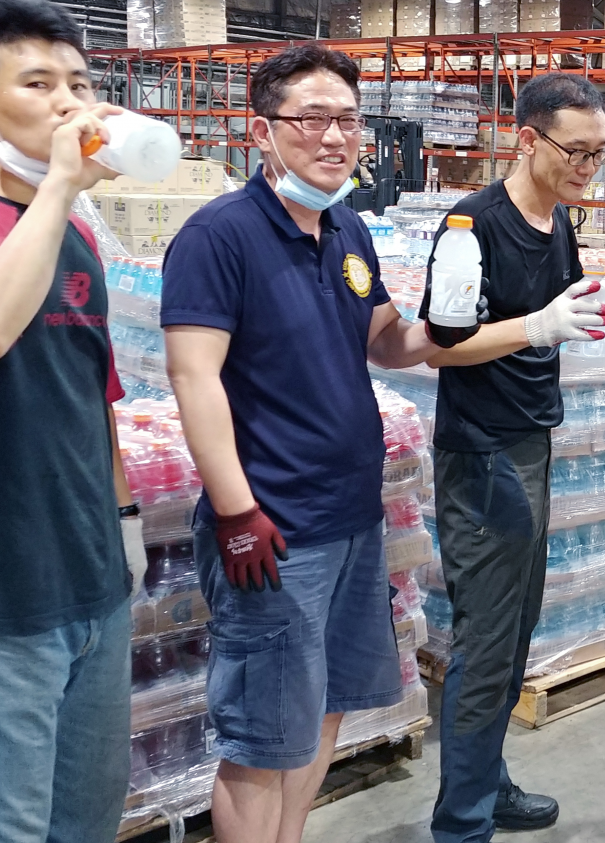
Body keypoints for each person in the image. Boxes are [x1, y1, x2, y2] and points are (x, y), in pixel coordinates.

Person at [161, 44, 453, 843]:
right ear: (262, 130)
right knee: (261, 742)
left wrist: (449, 323)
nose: (335, 137)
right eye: (312, 119)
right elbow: (194, 377)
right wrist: (235, 511)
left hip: (351, 518)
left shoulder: (346, 226)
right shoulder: (219, 236)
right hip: (274, 531)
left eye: (348, 120)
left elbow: (383, 342)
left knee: (324, 708)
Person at [425, 72, 605, 843]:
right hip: (482, 459)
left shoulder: (557, 223)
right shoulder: (470, 225)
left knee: (514, 633)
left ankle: (487, 782)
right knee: (486, 641)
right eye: (576, 152)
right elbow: (442, 349)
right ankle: (462, 823)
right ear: (525, 139)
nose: (590, 166)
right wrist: (532, 327)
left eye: (599, 152)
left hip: (528, 447)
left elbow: (576, 322)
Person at [0, 1, 143, 840]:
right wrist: (58, 184)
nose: (68, 103)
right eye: (39, 83)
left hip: (91, 581)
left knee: (85, 817)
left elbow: (97, 396)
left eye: (81, 82)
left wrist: (123, 524)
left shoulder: (77, 236)